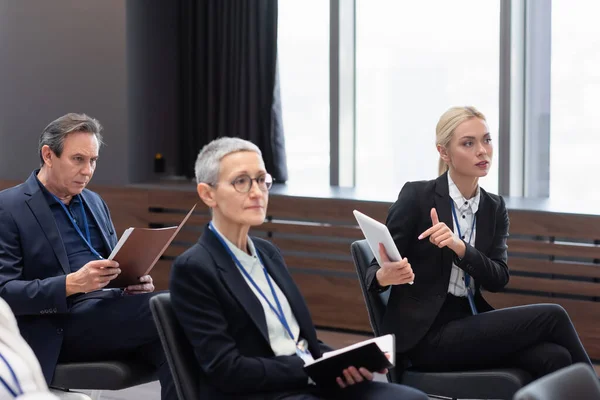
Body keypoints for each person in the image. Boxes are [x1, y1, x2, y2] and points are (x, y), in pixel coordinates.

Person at [169, 137, 428, 400]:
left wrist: (342, 362)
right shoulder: (194, 268)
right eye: (241, 181)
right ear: (207, 194)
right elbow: (226, 369)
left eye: (261, 180)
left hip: (309, 381)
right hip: (261, 392)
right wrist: (309, 368)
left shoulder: (268, 253)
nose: (257, 192)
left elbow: (301, 341)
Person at [365, 106, 594, 380]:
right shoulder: (417, 197)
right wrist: (384, 276)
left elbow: (499, 279)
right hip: (425, 335)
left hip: (470, 320)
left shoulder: (493, 207)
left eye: (486, 140)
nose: (482, 151)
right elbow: (372, 273)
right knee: (553, 315)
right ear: (444, 152)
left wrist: (460, 247)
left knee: (555, 357)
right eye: (468, 143)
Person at [0, 114, 175, 399]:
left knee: (176, 349)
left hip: (110, 312)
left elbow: (112, 264)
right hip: (59, 325)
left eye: (93, 160)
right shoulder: (8, 207)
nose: (87, 170)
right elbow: (4, 293)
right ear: (48, 155)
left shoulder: (94, 202)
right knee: (171, 306)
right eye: (78, 159)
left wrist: (132, 281)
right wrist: (71, 284)